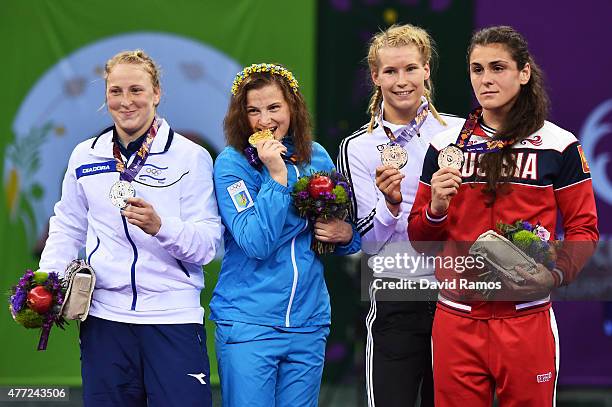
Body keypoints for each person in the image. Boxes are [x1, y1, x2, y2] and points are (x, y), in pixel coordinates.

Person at [408, 26, 599, 406]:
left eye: (498, 68)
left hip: (526, 320)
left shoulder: (558, 145)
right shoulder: (445, 147)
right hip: (457, 319)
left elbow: (583, 227)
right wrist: (435, 210)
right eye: (477, 70)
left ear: (524, 73)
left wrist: (556, 272)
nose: (486, 79)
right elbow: (421, 241)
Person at [38, 49, 222, 406]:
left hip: (172, 318)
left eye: (136, 90)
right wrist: (47, 282)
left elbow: (208, 244)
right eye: (115, 91)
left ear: (156, 93)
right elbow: (67, 226)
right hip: (104, 320)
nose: (125, 102)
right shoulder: (86, 156)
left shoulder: (190, 157)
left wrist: (160, 226)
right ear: (105, 96)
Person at [211, 63, 361, 407]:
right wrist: (276, 176)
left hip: (308, 325)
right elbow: (255, 242)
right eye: (253, 110)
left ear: (293, 107)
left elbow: (342, 236)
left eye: (274, 107)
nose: (265, 120)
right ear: (241, 116)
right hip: (249, 323)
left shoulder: (317, 156)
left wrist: (346, 234)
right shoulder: (232, 164)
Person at [337, 24, 464, 407]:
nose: (401, 81)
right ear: (375, 77)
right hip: (396, 293)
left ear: (427, 70)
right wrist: (389, 206)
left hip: (456, 297)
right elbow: (370, 245)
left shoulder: (461, 134)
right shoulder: (357, 147)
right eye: (390, 71)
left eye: (410, 68)